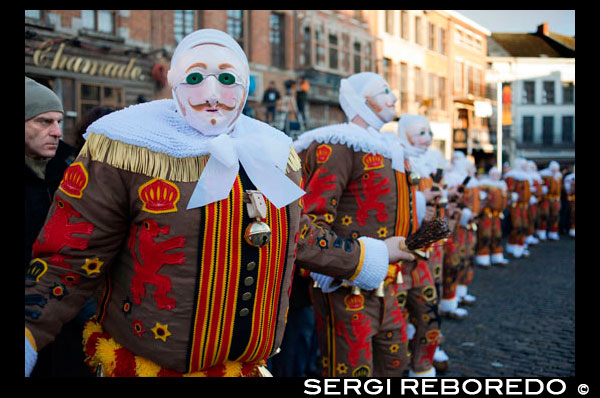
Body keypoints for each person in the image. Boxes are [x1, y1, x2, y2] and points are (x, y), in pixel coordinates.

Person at [25, 29, 392, 378]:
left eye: (228, 79)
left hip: (244, 365)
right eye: (196, 77)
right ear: (173, 82)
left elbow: (296, 234)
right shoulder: (127, 147)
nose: (212, 94)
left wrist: (365, 258)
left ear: (246, 86)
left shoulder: (272, 150)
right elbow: (68, 256)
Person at [294, 73, 446, 378]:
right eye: (384, 92)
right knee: (351, 369)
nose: (394, 98)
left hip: (391, 284)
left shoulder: (391, 150)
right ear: (361, 101)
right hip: (346, 285)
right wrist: (334, 268)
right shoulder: (337, 144)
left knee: (394, 364)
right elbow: (310, 218)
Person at [25, 76, 95, 377]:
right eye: (43, 122)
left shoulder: (71, 172)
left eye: (58, 121)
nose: (56, 131)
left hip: (70, 323)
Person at [395, 114, 452, 374]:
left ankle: (424, 361)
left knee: (430, 305)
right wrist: (420, 201)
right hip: (403, 249)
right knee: (399, 312)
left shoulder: (430, 162)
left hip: (431, 247)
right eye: (420, 133)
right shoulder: (396, 158)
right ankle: (406, 360)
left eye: (428, 133)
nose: (426, 138)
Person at [475, 167, 510, 267]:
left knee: (497, 235)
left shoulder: (501, 186)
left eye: (497, 175)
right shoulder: (484, 185)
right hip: (487, 214)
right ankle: (483, 256)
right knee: (485, 235)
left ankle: (497, 254)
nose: (496, 176)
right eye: (494, 174)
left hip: (497, 215)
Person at [504, 158, 531, 258]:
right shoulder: (512, 176)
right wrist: (513, 196)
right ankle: (513, 245)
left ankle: (520, 245)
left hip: (524, 206)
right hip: (516, 206)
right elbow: (507, 190)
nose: (525, 167)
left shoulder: (526, 177)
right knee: (517, 226)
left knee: (524, 226)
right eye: (524, 165)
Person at [538, 161, 562, 241]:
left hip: (555, 199)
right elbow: (541, 185)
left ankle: (553, 232)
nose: (555, 170)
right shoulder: (545, 175)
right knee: (544, 215)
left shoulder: (558, 177)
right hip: (546, 198)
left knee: (555, 216)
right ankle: (542, 231)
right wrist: (543, 189)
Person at [563, 165, 575, 238]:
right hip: (571, 199)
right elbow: (567, 188)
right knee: (570, 214)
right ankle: (569, 228)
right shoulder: (569, 177)